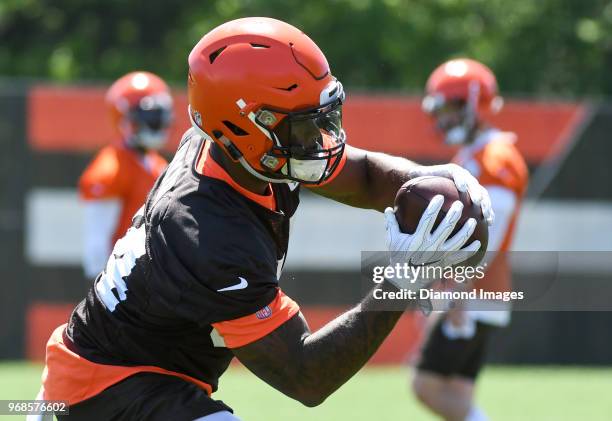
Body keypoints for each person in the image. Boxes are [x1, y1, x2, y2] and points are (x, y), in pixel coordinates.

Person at [38, 19, 493, 421]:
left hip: (144, 374)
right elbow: (307, 376)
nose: (320, 137)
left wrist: (437, 182)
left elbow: (368, 177)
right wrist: (404, 281)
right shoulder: (206, 232)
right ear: (244, 127)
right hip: (107, 389)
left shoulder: (252, 151)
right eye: (303, 125)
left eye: (323, 117)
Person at [412, 58, 529, 421]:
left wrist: (457, 288)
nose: (443, 119)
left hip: (474, 292)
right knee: (456, 391)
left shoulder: (494, 158)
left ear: (474, 103)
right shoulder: (475, 154)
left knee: (426, 385)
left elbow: (490, 232)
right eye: (440, 110)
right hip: (477, 291)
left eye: (451, 108)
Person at [79, 71, 173, 279]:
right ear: (126, 118)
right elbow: (96, 247)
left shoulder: (156, 164)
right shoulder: (109, 170)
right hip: (125, 284)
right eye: (150, 116)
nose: (156, 123)